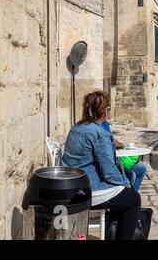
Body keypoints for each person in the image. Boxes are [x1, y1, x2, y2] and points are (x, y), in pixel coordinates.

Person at [62, 91, 140, 240]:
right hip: (85, 191)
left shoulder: (76, 128)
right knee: (133, 198)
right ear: (105, 111)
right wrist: (126, 184)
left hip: (70, 186)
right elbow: (109, 171)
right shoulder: (100, 133)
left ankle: (112, 233)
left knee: (123, 192)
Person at [101, 120, 148, 193]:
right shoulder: (95, 128)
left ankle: (133, 196)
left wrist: (119, 144)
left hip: (114, 159)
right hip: (108, 162)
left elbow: (110, 138)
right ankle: (128, 196)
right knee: (131, 175)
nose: (106, 112)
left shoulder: (105, 123)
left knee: (142, 168)